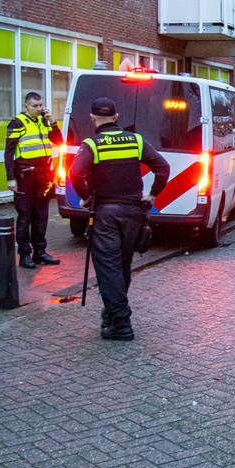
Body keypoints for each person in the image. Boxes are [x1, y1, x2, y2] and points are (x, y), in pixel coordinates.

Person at [69, 97, 171, 340]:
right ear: (116, 117)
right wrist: (153, 194)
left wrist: (85, 197)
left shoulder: (92, 145)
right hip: (133, 213)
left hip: (105, 214)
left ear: (92, 118)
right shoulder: (135, 140)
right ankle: (113, 314)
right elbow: (163, 167)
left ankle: (121, 323)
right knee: (122, 265)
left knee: (108, 267)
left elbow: (75, 172)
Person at [5, 92, 64, 268]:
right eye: (35, 106)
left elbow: (58, 141)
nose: (38, 109)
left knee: (41, 215)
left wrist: (52, 121)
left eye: (40, 106)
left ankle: (40, 252)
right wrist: (10, 178)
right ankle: (25, 255)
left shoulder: (44, 121)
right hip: (25, 176)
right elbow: (9, 153)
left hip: (43, 175)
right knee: (25, 216)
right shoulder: (17, 123)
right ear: (26, 106)